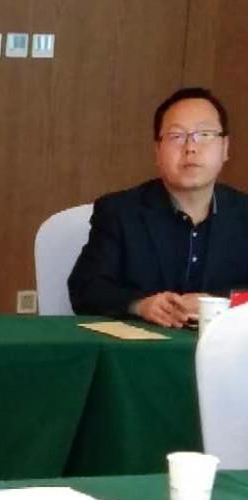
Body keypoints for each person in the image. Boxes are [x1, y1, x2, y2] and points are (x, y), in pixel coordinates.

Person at [69, 87, 248, 327]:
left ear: (225, 147)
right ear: (157, 151)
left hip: (226, 347)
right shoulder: (119, 212)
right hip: (142, 347)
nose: (190, 148)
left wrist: (219, 304)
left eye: (205, 134)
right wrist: (140, 305)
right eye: (177, 136)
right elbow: (85, 288)